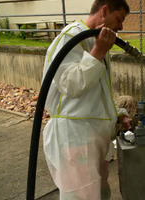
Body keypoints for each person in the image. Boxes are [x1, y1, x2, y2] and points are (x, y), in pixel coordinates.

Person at [42, 0, 131, 199]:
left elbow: (98, 93)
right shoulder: (71, 37)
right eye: (119, 19)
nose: (121, 27)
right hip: (74, 138)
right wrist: (98, 52)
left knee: (98, 194)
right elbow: (70, 86)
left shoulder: (95, 41)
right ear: (105, 10)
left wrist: (118, 115)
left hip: (89, 139)